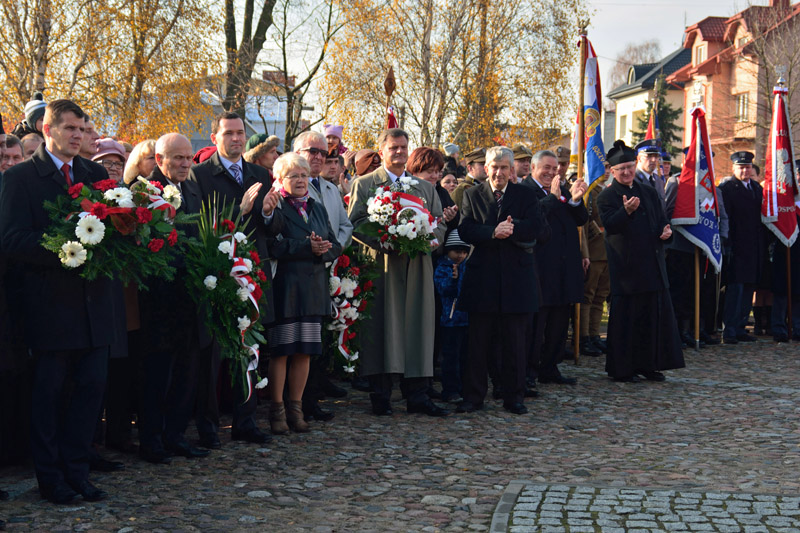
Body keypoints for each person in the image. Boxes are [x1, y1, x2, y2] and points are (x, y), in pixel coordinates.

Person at [0, 99, 117, 503]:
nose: (79, 137)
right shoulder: (21, 179)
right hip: (50, 309)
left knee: (89, 394)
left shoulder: (95, 172)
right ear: (48, 130)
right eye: (71, 129)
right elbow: (12, 241)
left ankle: (78, 472)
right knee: (49, 398)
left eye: (84, 130)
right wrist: (65, 245)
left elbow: (111, 231)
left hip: (94, 307)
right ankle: (50, 479)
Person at [191, 111, 283, 447]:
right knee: (213, 355)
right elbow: (200, 224)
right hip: (218, 274)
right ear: (215, 137)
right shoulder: (200, 174)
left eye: (240, 133)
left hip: (252, 274)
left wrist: (270, 211)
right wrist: (240, 210)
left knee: (250, 349)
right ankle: (209, 426)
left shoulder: (259, 173)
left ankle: (246, 421)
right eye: (228, 133)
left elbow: (275, 228)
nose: (236, 139)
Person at [347, 128, 448, 417]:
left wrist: (428, 238)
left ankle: (418, 395)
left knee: (418, 326)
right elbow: (355, 223)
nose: (400, 152)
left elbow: (439, 223)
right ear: (382, 151)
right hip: (382, 265)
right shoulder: (365, 184)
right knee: (382, 326)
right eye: (394, 148)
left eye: (404, 147)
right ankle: (381, 395)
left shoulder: (425, 188)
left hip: (417, 265)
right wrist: (385, 239)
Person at [456, 146, 550, 414]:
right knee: (477, 344)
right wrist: (492, 232)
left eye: (504, 168)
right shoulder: (472, 194)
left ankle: (514, 397)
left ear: (511, 171)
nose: (498, 172)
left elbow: (540, 229)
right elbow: (465, 229)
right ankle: (473, 397)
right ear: (486, 169)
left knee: (515, 344)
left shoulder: (525, 195)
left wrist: (513, 228)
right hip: (482, 280)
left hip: (517, 280)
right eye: (494, 167)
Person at [137, 133, 210, 464]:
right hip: (159, 297)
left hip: (190, 296)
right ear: (159, 159)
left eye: (189, 158)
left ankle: (176, 434)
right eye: (177, 158)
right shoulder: (145, 191)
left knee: (186, 369)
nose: (184, 164)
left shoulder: (193, 188)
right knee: (158, 372)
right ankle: (151, 439)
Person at [266, 153, 342, 434]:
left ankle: (296, 409)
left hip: (313, 288)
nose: (301, 180)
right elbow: (273, 244)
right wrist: (305, 248)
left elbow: (335, 242)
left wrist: (324, 250)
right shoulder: (277, 206)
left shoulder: (317, 207)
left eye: (304, 175)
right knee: (283, 351)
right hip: (286, 287)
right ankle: (277, 411)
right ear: (281, 180)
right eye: (294, 175)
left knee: (305, 353)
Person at [597, 140, 684, 382]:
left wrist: (666, 233)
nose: (626, 172)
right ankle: (623, 369)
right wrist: (625, 212)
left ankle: (649, 364)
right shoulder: (607, 196)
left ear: (635, 166)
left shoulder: (648, 192)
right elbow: (610, 226)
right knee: (628, 321)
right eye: (620, 169)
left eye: (629, 167)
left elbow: (660, 222)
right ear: (613, 172)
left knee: (651, 319)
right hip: (627, 269)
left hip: (653, 266)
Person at [293, 131, 353, 421]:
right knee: (300, 342)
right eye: (311, 151)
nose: (318, 156)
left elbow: (345, 226)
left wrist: (331, 251)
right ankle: (296, 401)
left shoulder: (330, 189)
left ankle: (313, 398)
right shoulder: (290, 187)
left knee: (319, 338)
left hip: (328, 268)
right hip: (300, 274)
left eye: (322, 152)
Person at [522, 150, 588, 386]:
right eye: (546, 168)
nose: (552, 172)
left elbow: (581, 219)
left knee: (560, 321)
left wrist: (575, 199)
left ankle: (550, 367)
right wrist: (552, 197)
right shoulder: (525, 190)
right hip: (540, 266)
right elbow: (534, 217)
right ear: (533, 168)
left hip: (564, 266)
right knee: (537, 324)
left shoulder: (563, 188)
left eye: (555, 168)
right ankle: (529, 371)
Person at [717, 151, 765, 344]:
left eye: (748, 167)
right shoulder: (727, 188)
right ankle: (729, 329)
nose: (745, 170)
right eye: (741, 167)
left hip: (753, 247)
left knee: (748, 289)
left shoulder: (755, 187)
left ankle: (740, 327)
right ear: (734, 168)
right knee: (735, 290)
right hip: (736, 246)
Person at [433, 230, 470, 403]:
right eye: (457, 251)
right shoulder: (443, 267)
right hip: (450, 320)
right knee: (451, 358)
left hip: (466, 319)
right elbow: (444, 289)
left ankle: (463, 387)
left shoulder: (467, 266)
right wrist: (454, 280)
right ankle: (450, 389)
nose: (460, 255)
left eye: (464, 252)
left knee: (465, 357)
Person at [580, 165, 611, 356]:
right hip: (592, 251)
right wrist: (595, 232)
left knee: (600, 296)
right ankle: (583, 337)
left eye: (608, 168)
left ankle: (593, 335)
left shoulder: (601, 191)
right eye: (602, 167)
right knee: (587, 295)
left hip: (606, 251)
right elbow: (584, 219)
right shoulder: (588, 192)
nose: (606, 171)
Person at [406, 147, 459, 230]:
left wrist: (450, 218)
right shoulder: (405, 192)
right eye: (430, 171)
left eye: (437, 171)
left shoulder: (442, 192)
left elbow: (455, 226)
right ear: (415, 171)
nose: (434, 176)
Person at [633, 139, 666, 210]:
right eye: (649, 156)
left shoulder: (659, 181)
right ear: (639, 158)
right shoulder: (632, 180)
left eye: (656, 156)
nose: (654, 160)